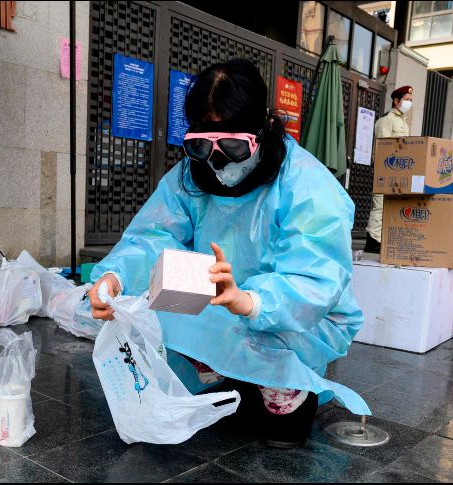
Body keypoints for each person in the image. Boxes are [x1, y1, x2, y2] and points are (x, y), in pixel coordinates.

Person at [87, 59, 369, 449]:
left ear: (262, 128)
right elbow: (153, 236)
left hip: (293, 317)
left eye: (234, 146)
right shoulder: (191, 176)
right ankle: (218, 370)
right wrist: (115, 276)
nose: (217, 160)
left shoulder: (307, 185)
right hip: (217, 304)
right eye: (202, 145)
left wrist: (251, 300)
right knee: (147, 312)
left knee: (282, 430)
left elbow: (316, 280)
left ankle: (282, 388)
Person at [364, 85, 413, 254]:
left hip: (398, 171)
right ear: (396, 101)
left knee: (390, 205)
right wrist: (385, 170)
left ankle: (381, 239)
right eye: (406, 100)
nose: (409, 103)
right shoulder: (386, 120)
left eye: (410, 100)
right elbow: (383, 148)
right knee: (380, 205)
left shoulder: (403, 122)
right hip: (386, 170)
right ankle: (372, 241)